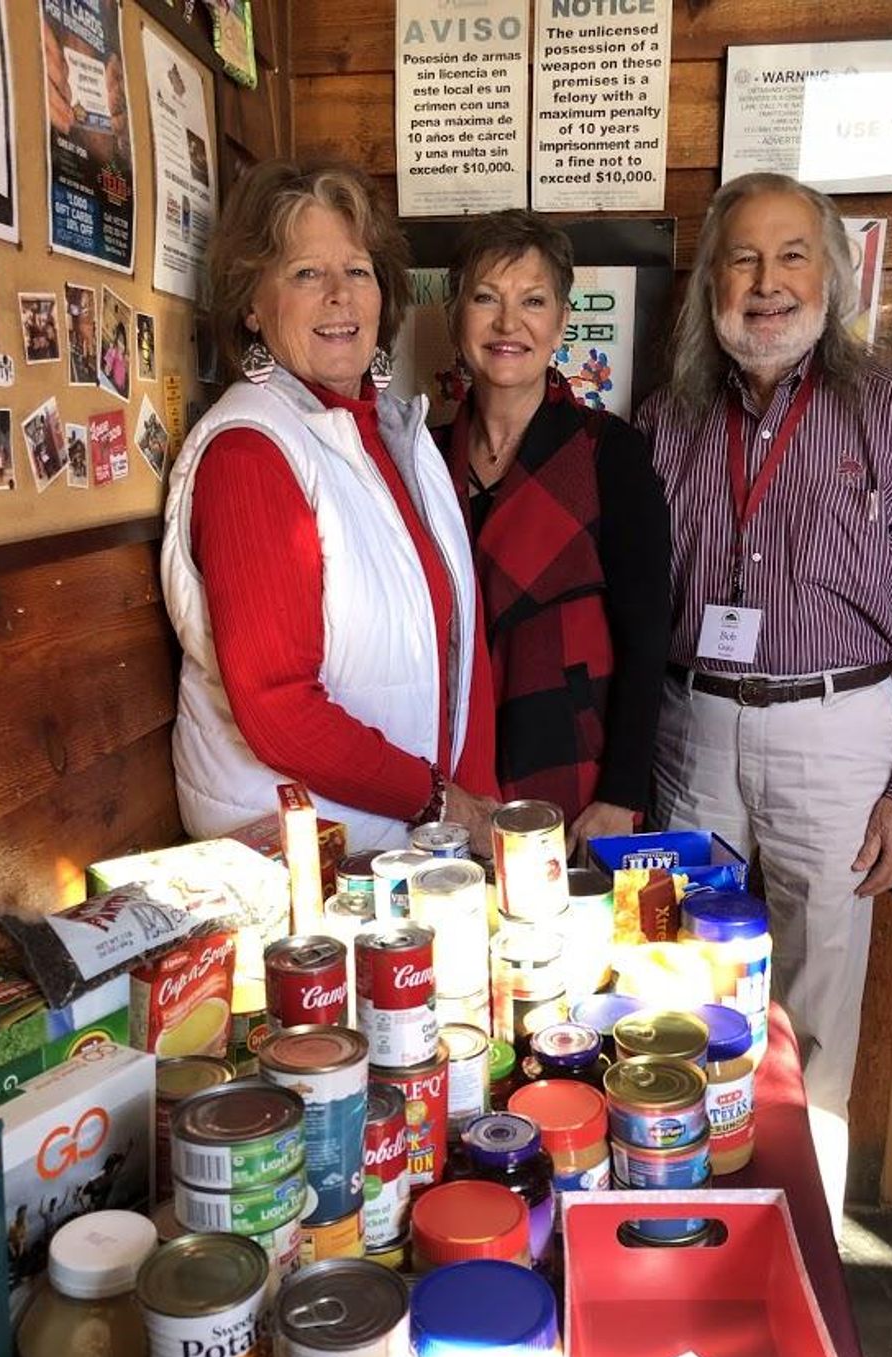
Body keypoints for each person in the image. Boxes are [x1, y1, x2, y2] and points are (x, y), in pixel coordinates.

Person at [636, 172, 892, 1229]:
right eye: (742, 258)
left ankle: (796, 1243)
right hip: (690, 728)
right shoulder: (666, 421)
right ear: (711, 286)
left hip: (839, 733)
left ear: (833, 275)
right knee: (679, 984)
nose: (768, 282)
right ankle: (687, 1220)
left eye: (792, 256)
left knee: (818, 1004)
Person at [161, 161, 499, 854]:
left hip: (402, 845)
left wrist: (472, 800)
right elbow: (278, 706)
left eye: (359, 270)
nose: (340, 297)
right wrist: (439, 800)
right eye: (306, 274)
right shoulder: (249, 454)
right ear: (252, 303)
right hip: (309, 866)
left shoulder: (390, 430)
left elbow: (459, 637)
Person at [435, 210, 671, 854]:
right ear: (456, 315)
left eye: (532, 301)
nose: (509, 324)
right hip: (449, 764)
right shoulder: (423, 458)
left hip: (573, 764)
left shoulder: (608, 453)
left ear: (562, 321)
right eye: (486, 298)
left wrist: (622, 792)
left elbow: (648, 636)